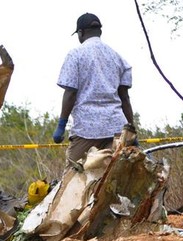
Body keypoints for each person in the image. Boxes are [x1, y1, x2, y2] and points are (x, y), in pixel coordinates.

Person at [52, 13, 134, 167]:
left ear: (81, 33)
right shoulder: (118, 58)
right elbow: (125, 98)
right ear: (99, 32)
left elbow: (70, 93)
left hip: (86, 130)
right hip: (116, 128)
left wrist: (61, 125)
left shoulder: (75, 55)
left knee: (73, 178)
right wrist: (131, 130)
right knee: (111, 179)